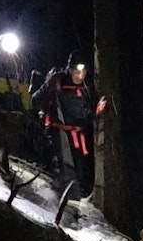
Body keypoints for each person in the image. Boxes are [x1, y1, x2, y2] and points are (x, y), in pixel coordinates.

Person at [31, 50, 107, 197]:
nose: (80, 75)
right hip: (57, 134)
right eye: (77, 72)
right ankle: (55, 201)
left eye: (83, 72)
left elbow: (87, 114)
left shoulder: (86, 87)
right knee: (63, 171)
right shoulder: (57, 80)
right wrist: (48, 88)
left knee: (79, 175)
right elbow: (36, 99)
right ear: (70, 69)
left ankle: (75, 202)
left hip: (78, 137)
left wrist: (97, 111)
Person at [0, 45, 33, 183]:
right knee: (0, 133)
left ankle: (1, 157)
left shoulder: (18, 65)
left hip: (13, 107)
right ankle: (2, 161)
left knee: (11, 137)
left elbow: (24, 87)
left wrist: (27, 106)